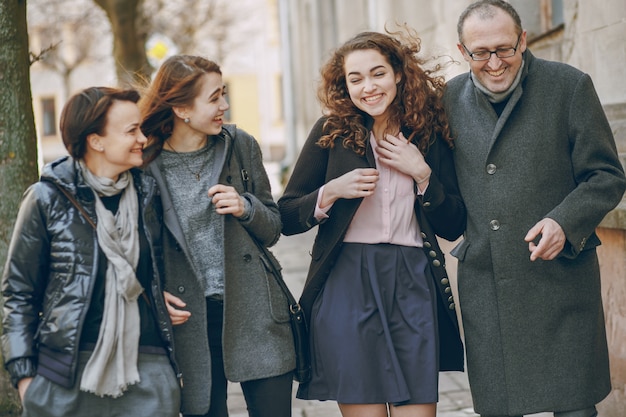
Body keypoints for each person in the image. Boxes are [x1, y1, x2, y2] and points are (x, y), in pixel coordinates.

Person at [442, 1, 626, 416]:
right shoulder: (448, 99)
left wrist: (564, 220)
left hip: (560, 278)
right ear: (462, 50)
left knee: (575, 408)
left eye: (505, 48)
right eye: (480, 52)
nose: (494, 63)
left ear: (523, 40)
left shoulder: (569, 86)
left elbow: (607, 176)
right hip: (488, 283)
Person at [278, 28, 466, 417]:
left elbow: (454, 224)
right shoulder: (331, 133)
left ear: (399, 73)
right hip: (347, 283)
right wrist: (330, 191)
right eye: (355, 78)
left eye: (377, 73)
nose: (368, 87)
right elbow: (287, 215)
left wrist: (423, 175)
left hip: (413, 281)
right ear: (344, 85)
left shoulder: (428, 133)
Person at [1, 86, 181, 417]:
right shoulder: (46, 199)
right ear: (95, 141)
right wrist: (24, 377)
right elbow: (18, 293)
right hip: (65, 374)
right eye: (131, 131)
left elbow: (153, 270)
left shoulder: (146, 194)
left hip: (145, 368)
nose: (142, 138)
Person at [139, 54, 295, 417]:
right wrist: (151, 289)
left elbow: (273, 228)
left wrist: (247, 207)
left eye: (223, 94)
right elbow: (138, 247)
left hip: (255, 309)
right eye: (214, 98)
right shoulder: (146, 165)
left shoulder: (241, 146)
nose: (225, 105)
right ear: (180, 108)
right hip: (188, 319)